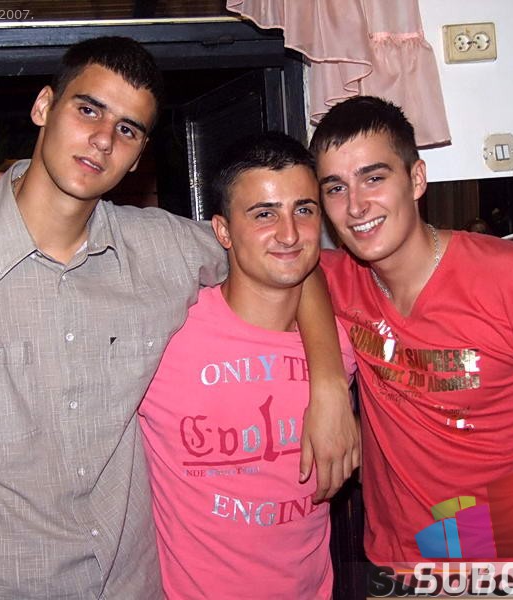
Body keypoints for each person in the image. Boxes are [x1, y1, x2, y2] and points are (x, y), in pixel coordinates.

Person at [0, 37, 357, 599]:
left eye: (128, 129)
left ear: (139, 153)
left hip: (125, 586)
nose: (104, 138)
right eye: (88, 109)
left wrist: (328, 382)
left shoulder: (161, 248)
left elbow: (285, 257)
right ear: (44, 107)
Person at [310, 96, 513, 565]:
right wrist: (327, 387)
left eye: (374, 178)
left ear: (416, 179)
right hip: (401, 567)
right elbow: (266, 267)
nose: (356, 206)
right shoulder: (335, 280)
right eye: (336, 188)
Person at [138, 132, 355, 599]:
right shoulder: (167, 335)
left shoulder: (338, 347)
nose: (289, 234)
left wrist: (332, 382)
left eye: (304, 210)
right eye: (264, 214)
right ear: (222, 232)